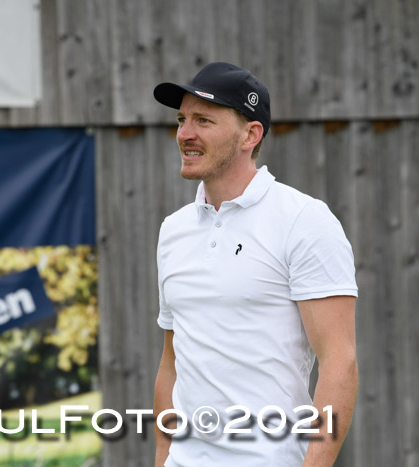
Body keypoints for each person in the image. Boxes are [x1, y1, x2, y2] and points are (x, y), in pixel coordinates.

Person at [152, 62, 358, 466]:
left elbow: (340, 361)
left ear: (251, 135)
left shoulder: (303, 220)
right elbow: (171, 363)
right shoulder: (173, 230)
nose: (185, 134)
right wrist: (162, 458)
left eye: (203, 120)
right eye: (181, 120)